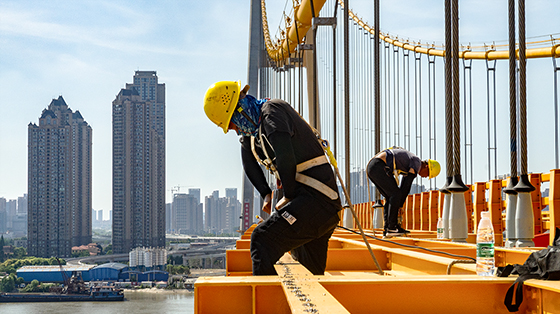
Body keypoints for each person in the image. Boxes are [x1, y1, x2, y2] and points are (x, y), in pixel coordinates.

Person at [203, 81, 342, 275]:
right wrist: (266, 193)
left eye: (233, 124)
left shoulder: (272, 111)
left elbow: (285, 156)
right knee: (309, 271)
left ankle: (265, 303)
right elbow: (249, 163)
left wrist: (288, 195)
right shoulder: (253, 130)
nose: (235, 130)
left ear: (240, 110)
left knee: (261, 239)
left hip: (317, 201)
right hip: (318, 207)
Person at [366, 147, 440, 237]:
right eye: (428, 174)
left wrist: (399, 204)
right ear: (426, 166)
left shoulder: (411, 163)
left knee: (391, 197)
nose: (425, 177)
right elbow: (406, 185)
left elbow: (403, 187)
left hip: (374, 168)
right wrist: (400, 205)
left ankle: (388, 229)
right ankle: (392, 228)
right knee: (395, 194)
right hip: (378, 166)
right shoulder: (417, 162)